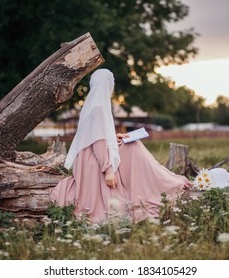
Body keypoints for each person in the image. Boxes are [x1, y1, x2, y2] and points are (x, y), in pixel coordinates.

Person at [50, 69, 192, 223]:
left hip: (90, 156)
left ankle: (156, 183)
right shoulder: (98, 108)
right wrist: (108, 170)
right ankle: (157, 186)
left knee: (131, 143)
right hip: (94, 161)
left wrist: (114, 137)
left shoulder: (94, 105)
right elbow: (98, 143)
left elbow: (96, 135)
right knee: (133, 148)